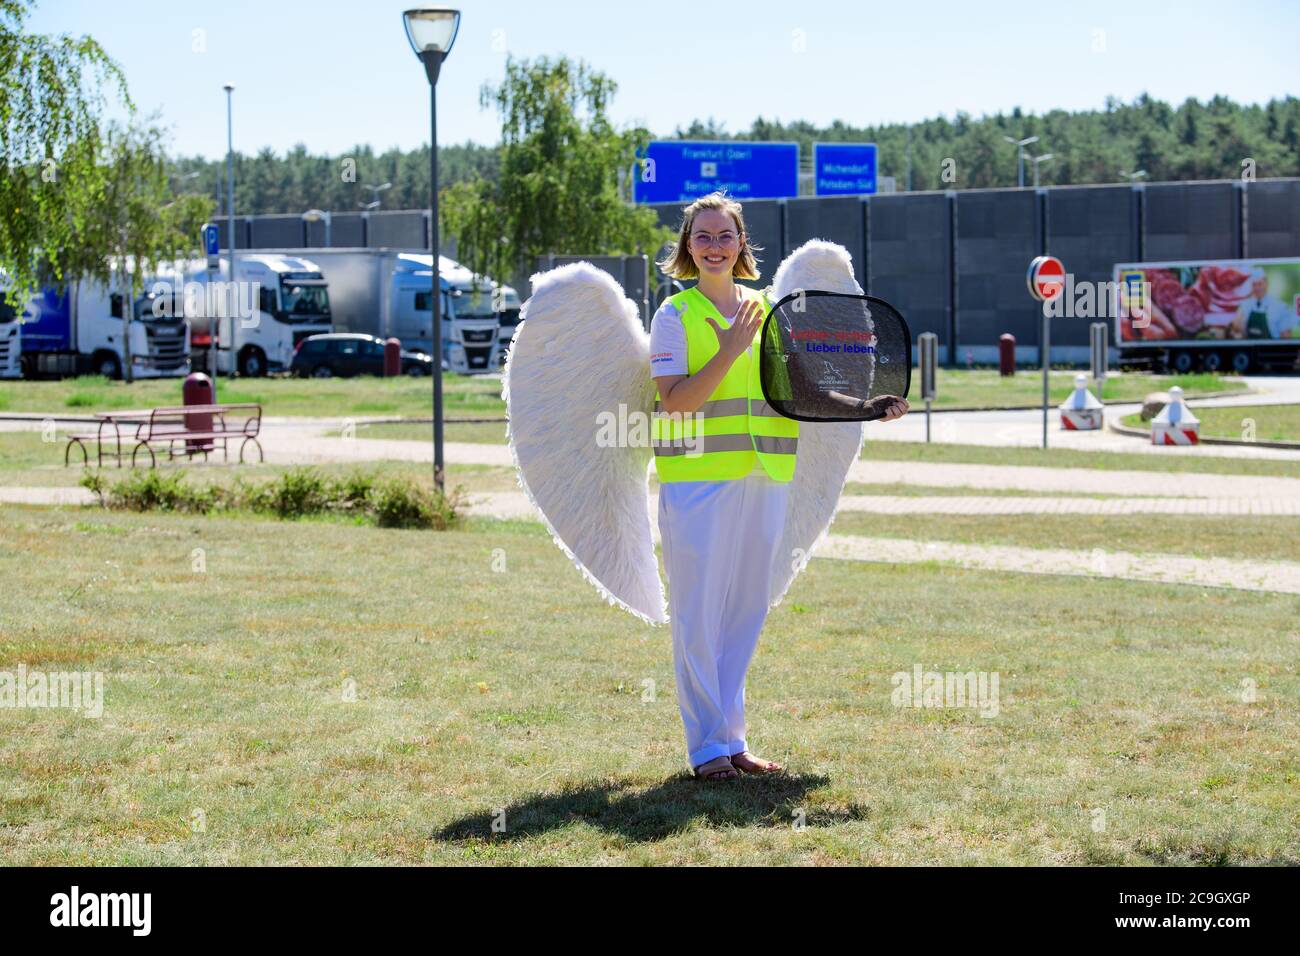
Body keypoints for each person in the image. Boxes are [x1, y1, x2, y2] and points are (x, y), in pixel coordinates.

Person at [648, 191, 907, 782]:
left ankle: (732, 740)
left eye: (725, 236)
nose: (714, 246)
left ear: (742, 245)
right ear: (687, 248)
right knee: (698, 614)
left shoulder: (769, 309)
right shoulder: (674, 316)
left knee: (744, 611)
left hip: (764, 477)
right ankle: (706, 751)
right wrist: (731, 348)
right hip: (698, 483)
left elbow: (799, 388)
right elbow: (675, 400)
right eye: (703, 237)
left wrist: (862, 407)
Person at [1232, 268, 1296, 340]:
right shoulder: (1244, 306)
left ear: (1266, 284)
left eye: (1260, 284)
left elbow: (1286, 336)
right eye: (1254, 285)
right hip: (1250, 349)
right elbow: (1238, 333)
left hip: (1273, 350)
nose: (1257, 288)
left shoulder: (1280, 307)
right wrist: (1237, 329)